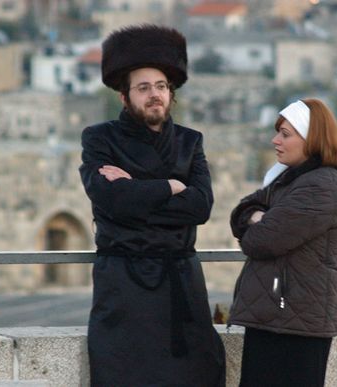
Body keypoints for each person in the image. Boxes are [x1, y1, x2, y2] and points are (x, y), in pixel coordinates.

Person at [79, 25, 225, 386]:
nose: (154, 94)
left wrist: (136, 191)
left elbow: (200, 207)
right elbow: (111, 200)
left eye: (161, 87)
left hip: (181, 283)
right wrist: (171, 187)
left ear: (171, 94)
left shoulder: (190, 142)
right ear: (125, 97)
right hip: (124, 285)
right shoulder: (100, 139)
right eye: (143, 88)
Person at [228, 98, 337, 387]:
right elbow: (241, 211)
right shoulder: (290, 180)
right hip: (278, 318)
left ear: (312, 139)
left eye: (286, 134)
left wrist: (259, 220)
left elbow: (259, 242)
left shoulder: (321, 186)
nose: (275, 140)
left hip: (294, 327)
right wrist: (257, 217)